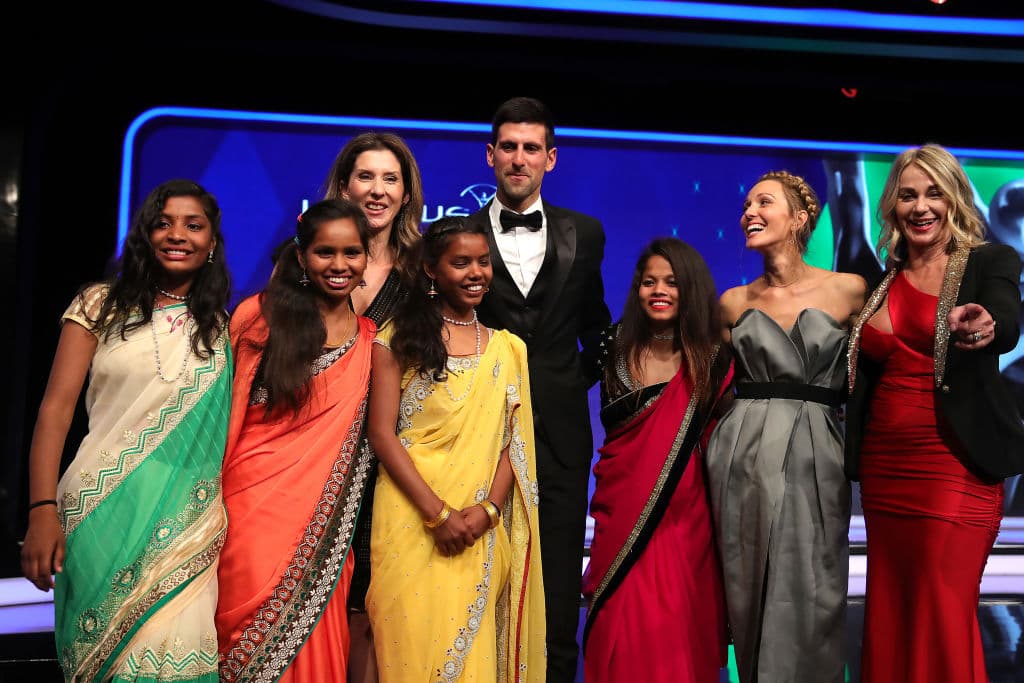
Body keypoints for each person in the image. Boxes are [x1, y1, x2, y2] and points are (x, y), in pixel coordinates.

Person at [20, 178, 232, 682]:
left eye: (193, 225)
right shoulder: (99, 305)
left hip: (186, 527)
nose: (177, 234)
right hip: (98, 512)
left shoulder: (224, 326)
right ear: (144, 235)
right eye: (163, 223)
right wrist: (41, 510)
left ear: (211, 244)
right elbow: (55, 411)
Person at [844, 143, 1024, 682]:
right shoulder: (880, 281)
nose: (921, 207)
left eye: (934, 194)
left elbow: (1004, 315)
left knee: (941, 604)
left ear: (955, 199)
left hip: (955, 466)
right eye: (908, 195)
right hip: (885, 470)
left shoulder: (989, 262)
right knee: (891, 609)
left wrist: (988, 325)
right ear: (893, 206)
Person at [467, 96, 611, 682]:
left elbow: (596, 326)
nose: (519, 158)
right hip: (477, 436)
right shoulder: (460, 236)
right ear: (490, 155)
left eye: (531, 148)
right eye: (508, 147)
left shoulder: (587, 233)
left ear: (551, 158)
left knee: (557, 580)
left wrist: (571, 381)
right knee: (480, 578)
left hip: (561, 436)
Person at [365, 216, 546, 682]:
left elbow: (513, 443)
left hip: (477, 526)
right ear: (431, 269)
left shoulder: (507, 349)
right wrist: (438, 515)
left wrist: (489, 510)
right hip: (410, 515)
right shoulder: (396, 338)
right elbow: (381, 434)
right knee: (407, 650)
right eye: (460, 263)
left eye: (483, 262)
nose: (476, 273)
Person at [705, 170, 867, 683]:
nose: (749, 213)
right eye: (746, 205)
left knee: (814, 583)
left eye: (764, 203)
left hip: (816, 449)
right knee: (747, 579)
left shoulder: (849, 290)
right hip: (742, 453)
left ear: (799, 219)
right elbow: (706, 387)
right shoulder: (732, 302)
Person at [216, 199, 376, 683]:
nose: (340, 265)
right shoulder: (258, 317)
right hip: (249, 513)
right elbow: (223, 418)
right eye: (326, 252)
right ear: (303, 256)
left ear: (367, 257)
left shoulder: (371, 339)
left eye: (352, 253)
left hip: (323, 529)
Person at [582, 237, 733, 682]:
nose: (659, 291)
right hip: (619, 518)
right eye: (649, 282)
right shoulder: (612, 346)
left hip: (688, 527)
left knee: (678, 635)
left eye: (671, 282)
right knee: (620, 631)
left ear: (691, 288)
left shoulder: (714, 359)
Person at [320, 131, 424, 682]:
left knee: (369, 610)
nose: (378, 190)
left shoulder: (424, 274)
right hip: (310, 460)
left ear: (407, 194)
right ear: (344, 185)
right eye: (366, 176)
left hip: (387, 464)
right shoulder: (300, 262)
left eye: (391, 179)